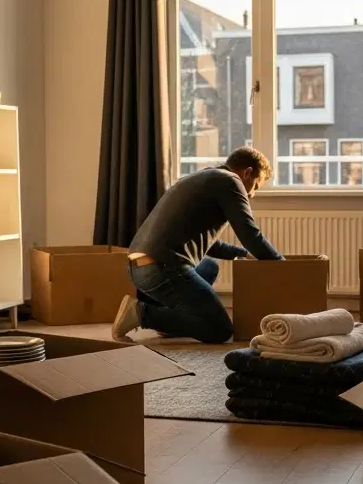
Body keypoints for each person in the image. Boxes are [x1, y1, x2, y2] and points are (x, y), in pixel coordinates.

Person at [111, 146, 282, 344]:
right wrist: (280, 264)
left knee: (209, 266)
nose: (252, 194)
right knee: (219, 329)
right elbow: (250, 234)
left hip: (140, 265)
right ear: (247, 173)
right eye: (256, 186)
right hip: (161, 267)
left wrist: (241, 253)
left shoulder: (205, 177)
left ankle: (171, 323)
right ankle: (142, 314)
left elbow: (209, 243)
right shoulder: (231, 182)